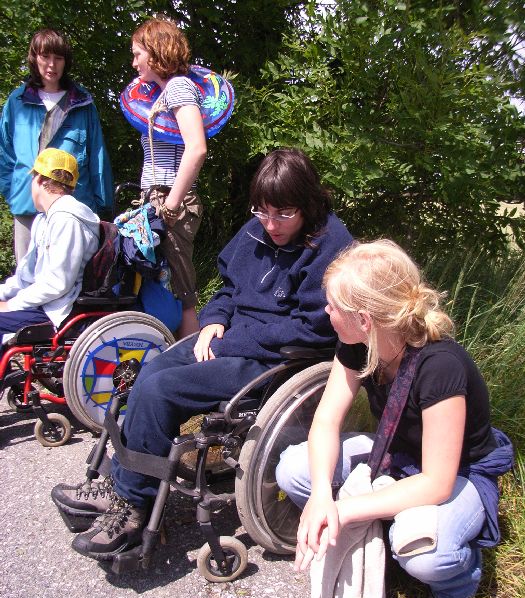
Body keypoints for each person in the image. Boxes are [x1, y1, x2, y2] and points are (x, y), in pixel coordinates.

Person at [51, 148, 353, 559]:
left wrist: (230, 341)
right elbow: (228, 288)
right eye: (262, 212)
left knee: (160, 392)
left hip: (271, 359)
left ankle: (132, 507)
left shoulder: (331, 246)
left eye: (283, 214)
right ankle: (120, 482)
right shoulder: (257, 230)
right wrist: (214, 320)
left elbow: (313, 328)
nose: (270, 224)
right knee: (148, 373)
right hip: (229, 339)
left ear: (308, 202)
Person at [276, 239, 513, 598]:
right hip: (394, 453)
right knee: (294, 470)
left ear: (364, 319)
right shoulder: (357, 345)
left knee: (425, 554)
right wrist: (320, 495)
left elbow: (437, 482)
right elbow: (326, 421)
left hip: (459, 472)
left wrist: (343, 511)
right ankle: (379, 538)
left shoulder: (441, 366)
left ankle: (457, 581)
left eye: (333, 305)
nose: (326, 311)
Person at [0, 28, 112, 262]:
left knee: (70, 277)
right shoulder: (16, 102)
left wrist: (103, 208)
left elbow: (97, 158)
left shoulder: (82, 103)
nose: (52, 64)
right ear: (34, 58)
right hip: (27, 208)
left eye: (58, 58)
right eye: (45, 56)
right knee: (26, 276)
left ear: (65, 61)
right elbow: (5, 153)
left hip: (72, 210)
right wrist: (14, 192)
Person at [130, 17, 207, 337]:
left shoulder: (178, 87)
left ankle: (191, 360)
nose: (134, 63)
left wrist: (171, 205)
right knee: (165, 285)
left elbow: (197, 148)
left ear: (156, 51)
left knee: (182, 291)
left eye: (138, 54)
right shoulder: (163, 92)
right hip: (159, 197)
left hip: (171, 198)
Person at [0, 148, 100, 354]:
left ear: (39, 180)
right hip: (44, 304)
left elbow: (58, 283)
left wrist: (11, 305)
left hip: (57, 312)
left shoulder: (67, 220)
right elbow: (26, 277)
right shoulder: (44, 219)